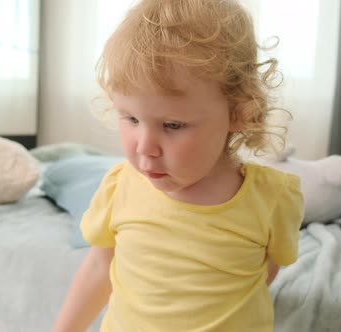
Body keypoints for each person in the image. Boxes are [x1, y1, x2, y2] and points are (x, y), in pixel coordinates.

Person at [53, 0, 304, 331]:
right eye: (131, 118)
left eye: (172, 125)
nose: (145, 147)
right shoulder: (119, 186)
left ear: (239, 112)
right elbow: (100, 267)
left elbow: (264, 275)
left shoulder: (272, 197)